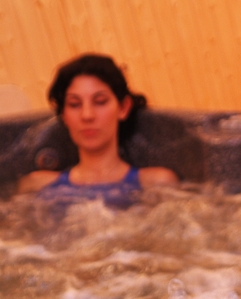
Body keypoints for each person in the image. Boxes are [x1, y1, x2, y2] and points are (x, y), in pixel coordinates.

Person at [17, 54, 178, 204]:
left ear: (123, 108)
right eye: (74, 104)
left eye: (100, 102)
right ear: (64, 115)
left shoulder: (157, 184)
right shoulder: (36, 186)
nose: (87, 115)